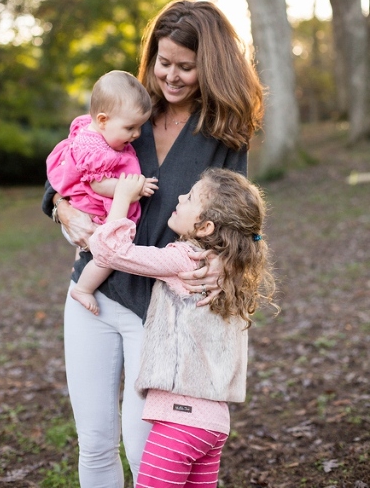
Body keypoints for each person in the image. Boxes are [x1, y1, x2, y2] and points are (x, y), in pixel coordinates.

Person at [42, 0, 264, 486]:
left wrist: (231, 261)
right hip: (94, 294)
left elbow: (240, 218)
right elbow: (67, 172)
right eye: (164, 62)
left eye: (187, 66)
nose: (173, 75)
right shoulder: (127, 109)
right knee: (96, 442)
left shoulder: (223, 131)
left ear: (211, 65)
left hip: (164, 311)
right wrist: (62, 206)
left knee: (146, 450)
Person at [89, 170, 276, 488]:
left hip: (180, 419)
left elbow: (109, 252)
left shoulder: (186, 258)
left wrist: (120, 198)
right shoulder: (234, 270)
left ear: (205, 227)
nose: (178, 198)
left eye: (189, 197)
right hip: (214, 424)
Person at [46, 70, 158, 315]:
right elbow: (98, 185)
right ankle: (84, 288)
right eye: (130, 128)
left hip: (88, 211)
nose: (137, 134)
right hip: (89, 215)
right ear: (103, 120)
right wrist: (132, 188)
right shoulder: (96, 149)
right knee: (110, 252)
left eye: (140, 127)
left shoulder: (102, 135)